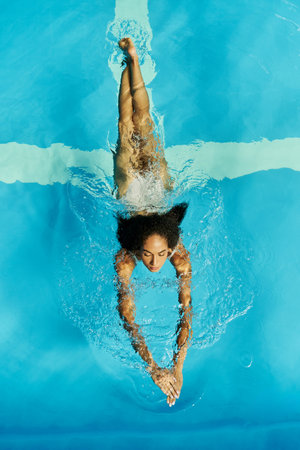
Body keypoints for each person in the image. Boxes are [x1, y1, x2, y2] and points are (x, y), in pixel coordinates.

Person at [114, 38, 192, 407]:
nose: (156, 263)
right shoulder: (125, 257)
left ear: (172, 246)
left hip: (134, 189)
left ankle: (131, 60)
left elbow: (186, 310)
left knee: (138, 123)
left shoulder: (179, 255)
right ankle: (129, 64)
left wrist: (175, 367)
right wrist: (152, 366)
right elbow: (127, 316)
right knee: (129, 124)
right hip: (144, 188)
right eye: (148, 256)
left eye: (160, 255)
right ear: (136, 249)